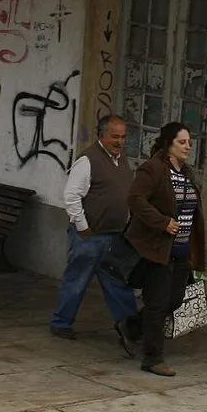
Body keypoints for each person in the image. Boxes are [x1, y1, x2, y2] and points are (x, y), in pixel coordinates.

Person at [120, 121, 207, 376]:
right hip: (159, 249)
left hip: (182, 250)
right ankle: (152, 358)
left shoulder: (186, 173)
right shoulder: (154, 169)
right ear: (168, 144)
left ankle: (131, 326)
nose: (187, 147)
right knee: (157, 303)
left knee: (174, 299)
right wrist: (161, 222)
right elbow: (135, 198)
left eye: (189, 142)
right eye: (182, 142)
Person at [49, 114, 140, 351]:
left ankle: (131, 326)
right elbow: (71, 196)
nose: (119, 142)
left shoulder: (122, 160)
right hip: (91, 235)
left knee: (117, 282)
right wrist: (83, 227)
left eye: (123, 137)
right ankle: (61, 323)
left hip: (115, 234)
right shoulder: (88, 160)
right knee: (77, 280)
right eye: (114, 137)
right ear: (102, 136)